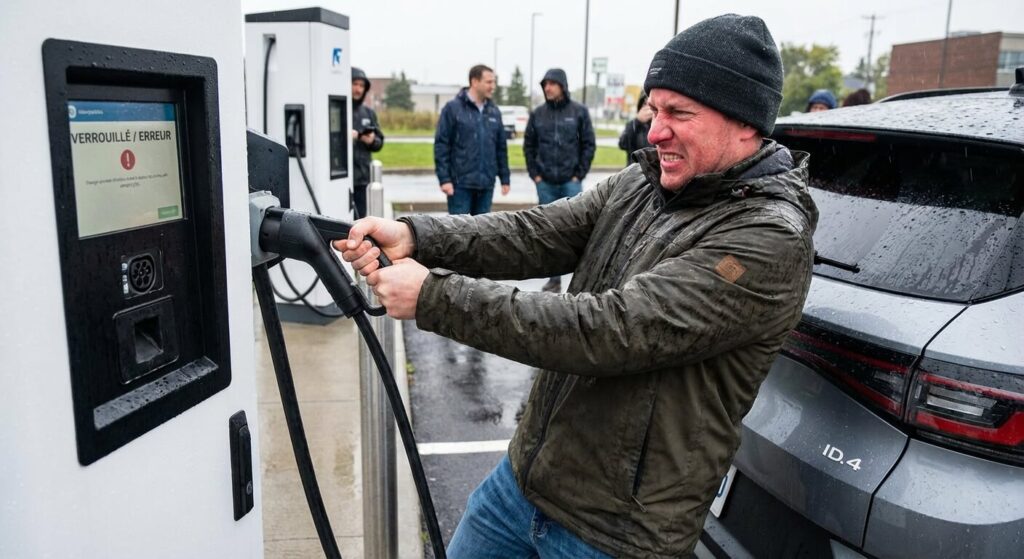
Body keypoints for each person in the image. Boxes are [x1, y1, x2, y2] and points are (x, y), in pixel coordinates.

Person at [338, 13, 817, 558]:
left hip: (614, 533)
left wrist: (434, 296)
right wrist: (416, 236)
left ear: (746, 124)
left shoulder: (768, 238)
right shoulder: (644, 182)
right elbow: (534, 232)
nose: (655, 130)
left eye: (679, 113)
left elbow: (612, 329)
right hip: (522, 486)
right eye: (655, 108)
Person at [524, 68, 596, 293]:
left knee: (577, 233)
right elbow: (529, 146)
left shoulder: (578, 112)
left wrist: (579, 174)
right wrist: (535, 175)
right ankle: (554, 280)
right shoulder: (538, 114)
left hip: (570, 182)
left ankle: (581, 282)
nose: (547, 88)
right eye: (544, 84)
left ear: (562, 86)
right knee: (548, 233)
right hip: (545, 182)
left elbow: (588, 144)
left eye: (552, 84)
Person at [433, 64, 510, 215]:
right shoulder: (453, 109)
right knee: (459, 233)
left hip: (486, 185)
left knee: (482, 234)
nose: (492, 86)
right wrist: (445, 179)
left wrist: (505, 179)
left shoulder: (494, 111)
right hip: (460, 185)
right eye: (488, 82)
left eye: (494, 82)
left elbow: (501, 147)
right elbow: (442, 145)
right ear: (474, 82)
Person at [350, 67, 384, 218]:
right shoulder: (337, 108)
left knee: (360, 220)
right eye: (355, 84)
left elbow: (379, 142)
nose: (358, 89)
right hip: (343, 176)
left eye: (361, 86)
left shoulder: (369, 113)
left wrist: (371, 141)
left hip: (362, 179)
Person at [618, 92, 652, 165]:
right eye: (644, 104)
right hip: (635, 172)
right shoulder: (634, 125)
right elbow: (623, 144)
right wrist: (637, 121)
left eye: (650, 105)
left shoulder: (660, 127)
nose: (647, 109)